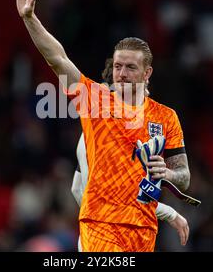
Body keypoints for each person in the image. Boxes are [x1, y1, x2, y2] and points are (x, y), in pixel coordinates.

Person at [16, 0, 191, 251]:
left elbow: (184, 174)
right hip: (101, 226)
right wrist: (30, 19)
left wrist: (168, 175)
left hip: (144, 229)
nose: (121, 74)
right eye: (118, 66)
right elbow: (58, 59)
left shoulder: (166, 117)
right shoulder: (95, 101)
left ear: (147, 73)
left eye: (130, 67)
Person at [71, 60, 189, 250]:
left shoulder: (88, 135)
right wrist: (169, 213)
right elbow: (126, 200)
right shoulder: (116, 139)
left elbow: (76, 189)